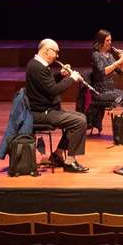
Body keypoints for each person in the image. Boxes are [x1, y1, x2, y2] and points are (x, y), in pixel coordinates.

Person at [26, 39, 89, 172]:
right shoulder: (37, 67)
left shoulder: (38, 65)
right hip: (41, 113)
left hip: (48, 110)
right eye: (56, 52)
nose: (57, 56)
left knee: (80, 117)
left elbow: (47, 84)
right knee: (79, 121)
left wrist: (60, 75)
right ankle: (70, 161)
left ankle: (58, 154)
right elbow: (53, 90)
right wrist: (72, 78)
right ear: (47, 51)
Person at [76, 28, 123, 133]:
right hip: (100, 91)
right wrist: (118, 62)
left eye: (110, 40)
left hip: (110, 89)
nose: (110, 43)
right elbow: (103, 72)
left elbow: (121, 72)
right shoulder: (96, 55)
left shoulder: (110, 56)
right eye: (107, 40)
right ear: (100, 41)